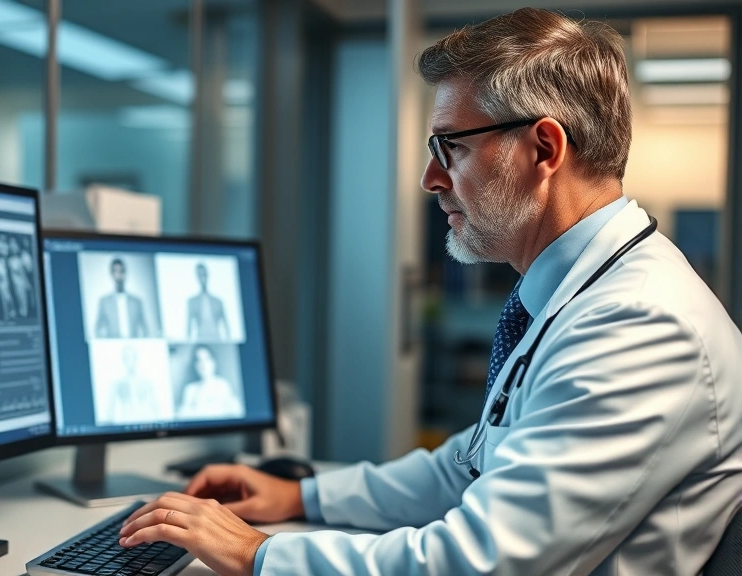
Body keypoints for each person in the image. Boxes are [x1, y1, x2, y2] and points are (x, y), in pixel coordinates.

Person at [116, 9, 742, 575]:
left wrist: (258, 553)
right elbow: (472, 462)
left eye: (452, 146)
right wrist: (299, 496)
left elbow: (480, 563)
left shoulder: (637, 324)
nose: (429, 178)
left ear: (544, 148)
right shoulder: (575, 293)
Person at [175, 345, 244, 421]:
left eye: (207, 359)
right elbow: (182, 416)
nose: (203, 364)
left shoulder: (223, 385)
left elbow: (235, 411)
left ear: (213, 362)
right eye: (199, 360)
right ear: (195, 365)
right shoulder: (190, 389)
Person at [103, 345, 162, 425]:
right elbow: (110, 409)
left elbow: (155, 406)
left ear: (136, 358)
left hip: (146, 422)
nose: (130, 361)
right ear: (123, 360)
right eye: (126, 358)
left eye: (132, 357)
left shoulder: (146, 382)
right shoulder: (117, 383)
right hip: (125, 423)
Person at [95, 258, 149, 338]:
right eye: (116, 272)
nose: (119, 275)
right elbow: (98, 328)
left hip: (135, 347)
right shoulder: (104, 302)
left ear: (125, 273)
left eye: (121, 271)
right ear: (112, 274)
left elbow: (144, 328)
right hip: (112, 347)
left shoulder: (137, 302)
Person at [187, 263, 229, 341]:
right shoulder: (192, 302)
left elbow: (226, 326)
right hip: (200, 339)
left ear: (208, 275)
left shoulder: (218, 301)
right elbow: (188, 327)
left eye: (204, 274)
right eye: (200, 275)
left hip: (217, 339)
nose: (202, 278)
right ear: (197, 277)